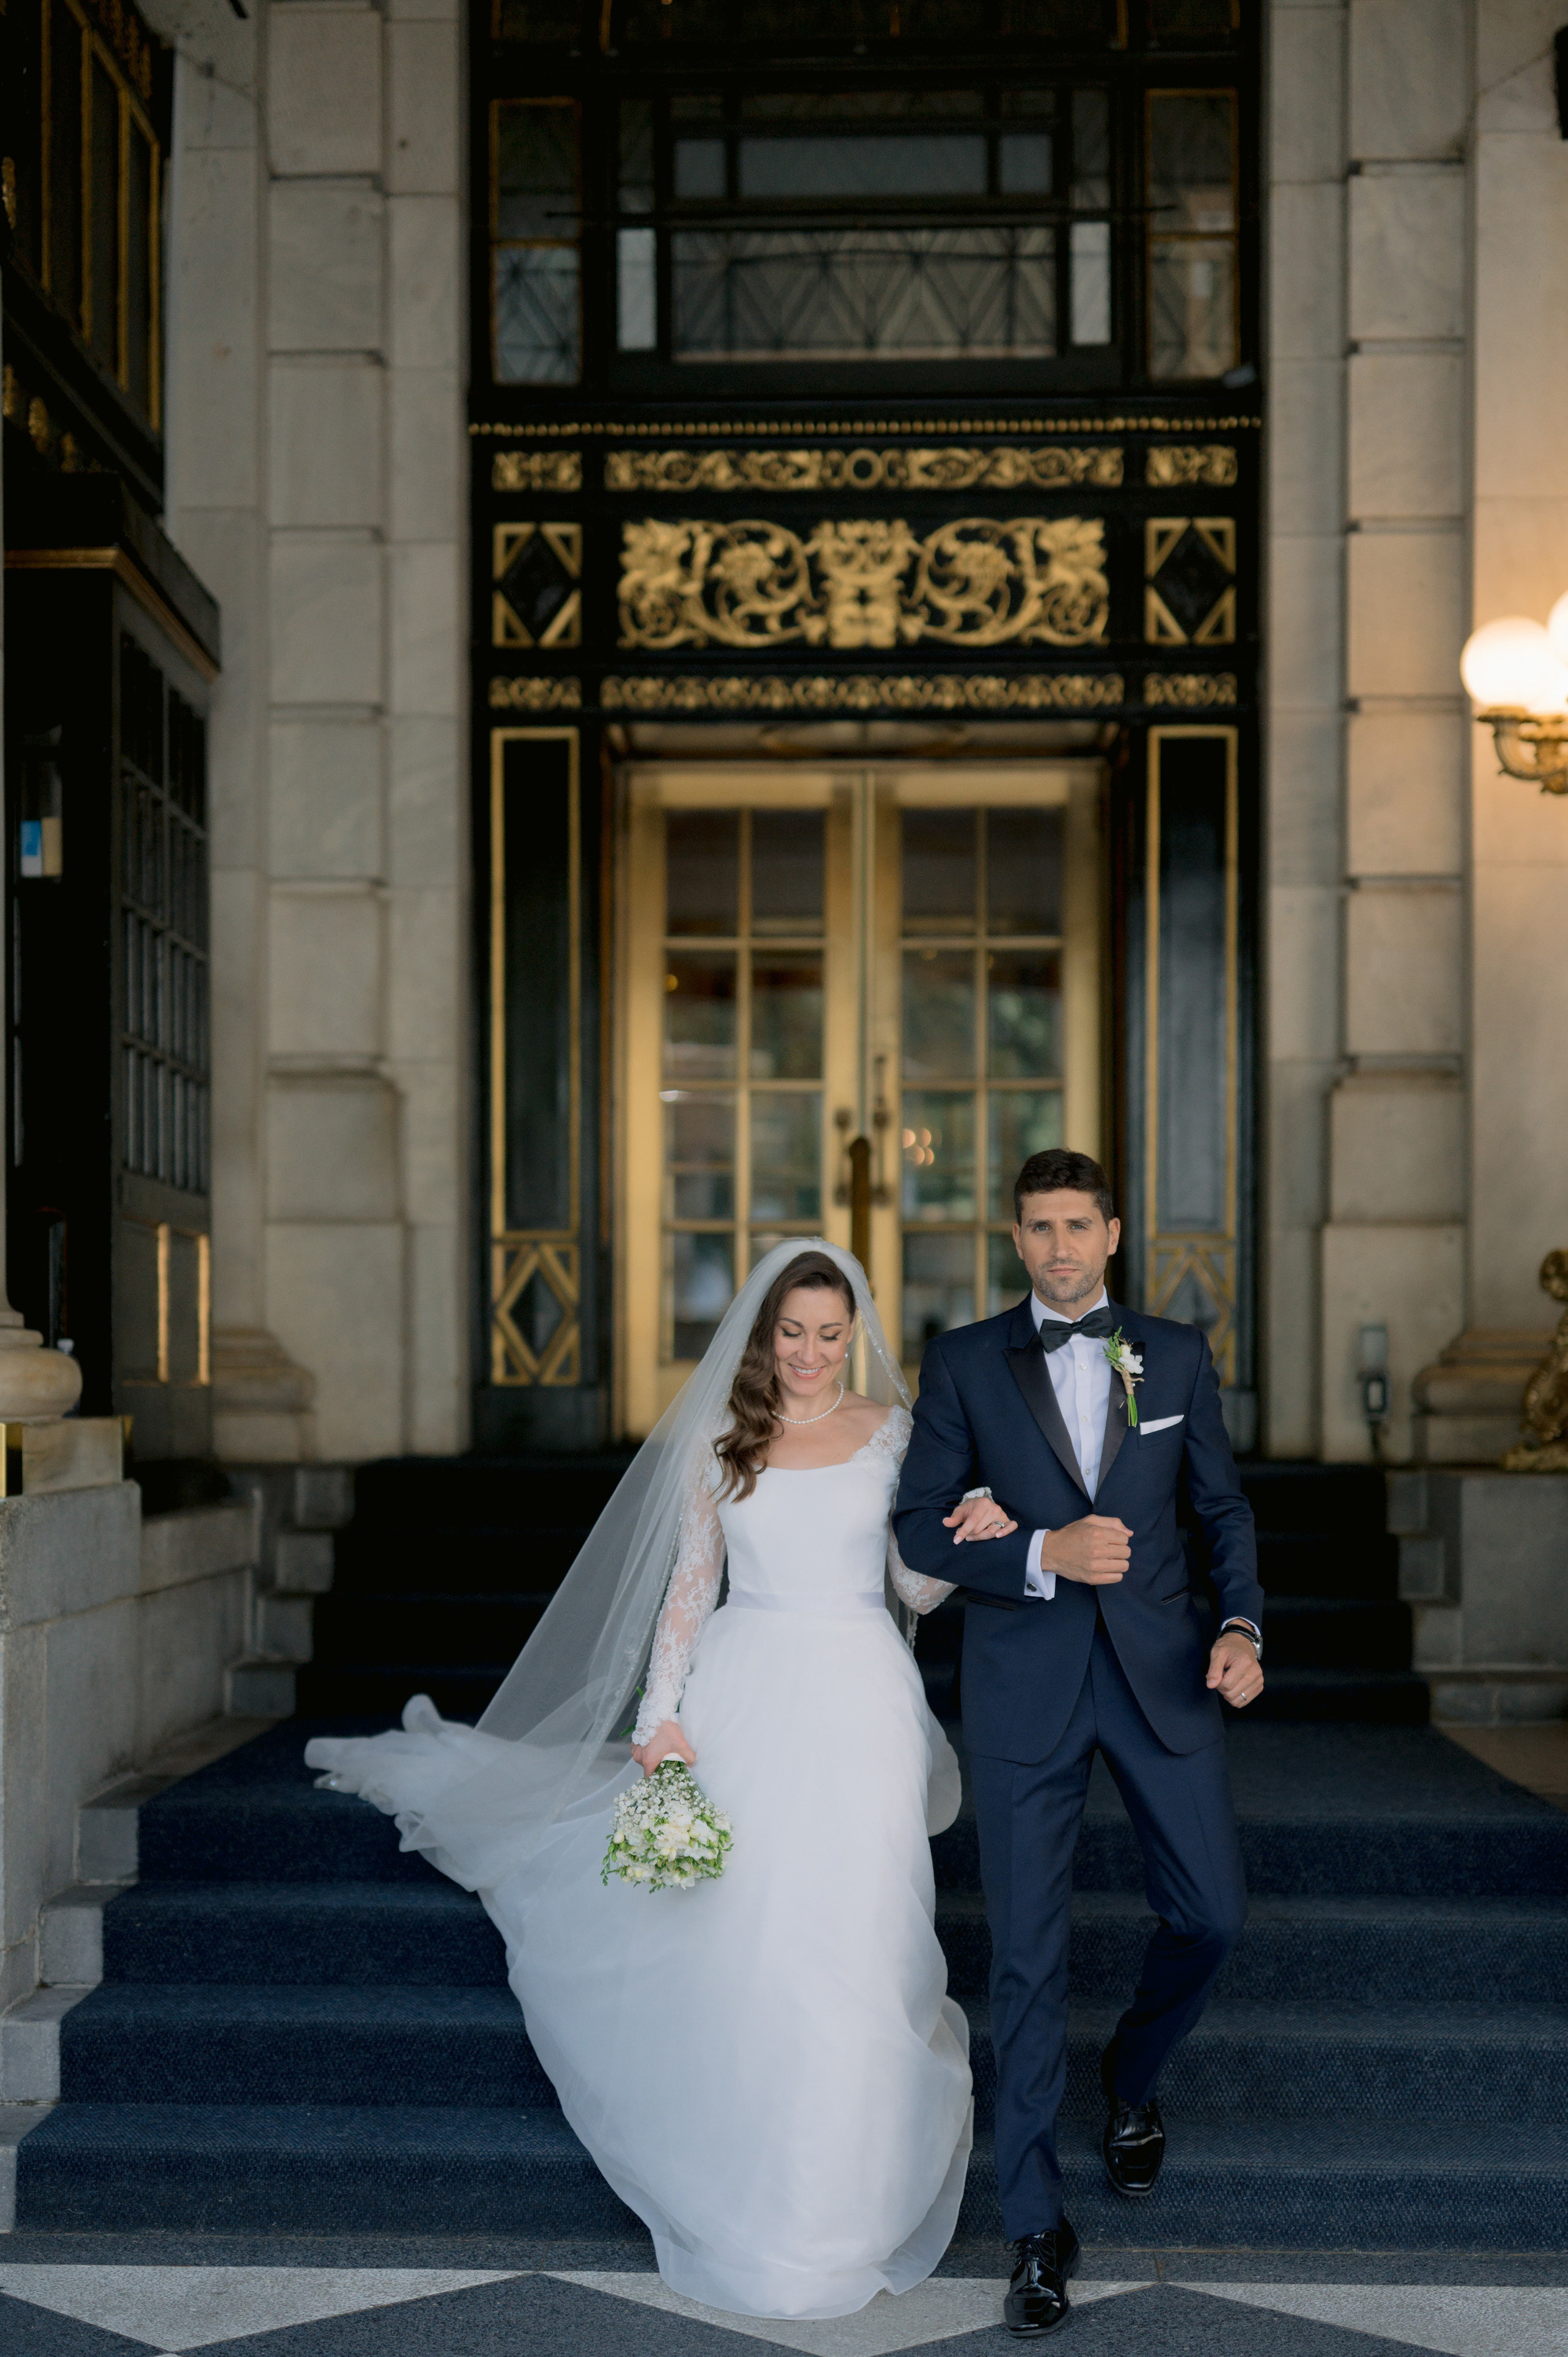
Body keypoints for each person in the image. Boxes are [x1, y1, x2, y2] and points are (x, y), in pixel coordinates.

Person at [305, 1241, 992, 2322]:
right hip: (747, 1686)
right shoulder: (724, 1437)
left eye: (829, 1335)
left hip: (862, 1698)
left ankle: (847, 2187)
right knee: (756, 1934)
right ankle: (765, 2184)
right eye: (791, 1333)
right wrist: (661, 1714)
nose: (811, 1354)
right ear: (764, 1334)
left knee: (861, 1929)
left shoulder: (893, 1434)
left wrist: (965, 1533)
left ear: (853, 1334)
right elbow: (689, 1585)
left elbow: (913, 1585)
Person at [894, 1148, 1265, 2339]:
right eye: (1037, 1227)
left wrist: (1244, 1627)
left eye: (1077, 1225)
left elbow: (1219, 1510)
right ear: (1015, 1239)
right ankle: (1036, 2229)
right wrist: (1037, 1556)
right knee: (1028, 1960)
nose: (1058, 1246)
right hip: (1023, 1683)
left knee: (1210, 1913)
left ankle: (1133, 2083)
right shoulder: (961, 1362)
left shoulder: (1179, 1353)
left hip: (1164, 1675)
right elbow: (915, 1526)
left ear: (1112, 1232)